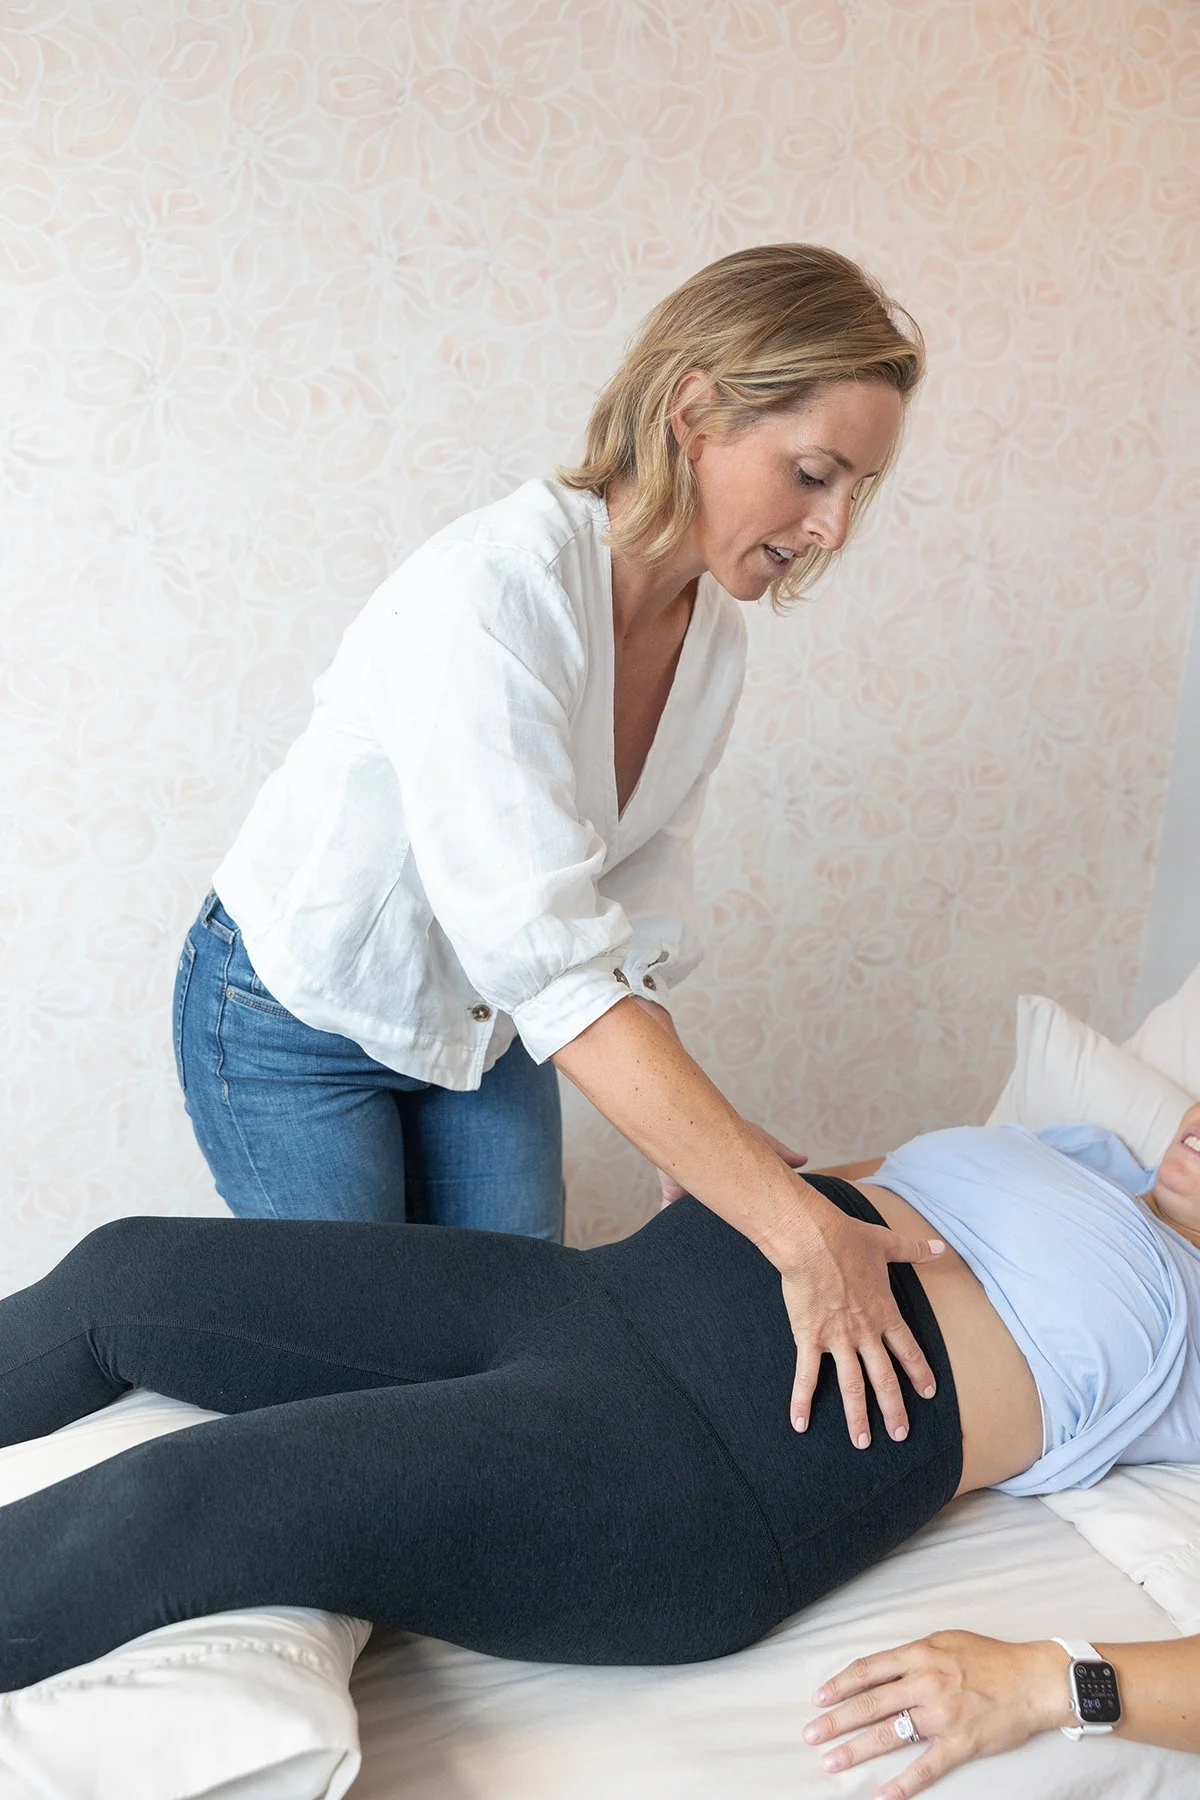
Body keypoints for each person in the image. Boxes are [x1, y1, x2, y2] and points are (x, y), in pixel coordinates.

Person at [174, 242, 942, 1453]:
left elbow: (618, 919)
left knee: (508, 1343)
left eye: (858, 491)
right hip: (296, 1022)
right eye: (811, 473)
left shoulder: (712, 645)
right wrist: (792, 1226)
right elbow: (557, 964)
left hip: (488, 1028)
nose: (833, 526)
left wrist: (711, 1146)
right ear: (693, 410)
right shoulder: (493, 596)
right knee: (350, 1370)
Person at [3, 1097, 1200, 1734]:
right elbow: (872, 1205)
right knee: (120, 1279)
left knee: (190, 1497)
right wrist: (752, 1178)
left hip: (694, 1465)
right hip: (596, 1293)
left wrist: (1062, 1683)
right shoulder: (1086, 1145)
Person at [804, 1098, 1200, 1797]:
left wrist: (1049, 1680)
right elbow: (840, 1189)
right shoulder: (1086, 1145)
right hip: (638, 1282)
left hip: (755, 1428)